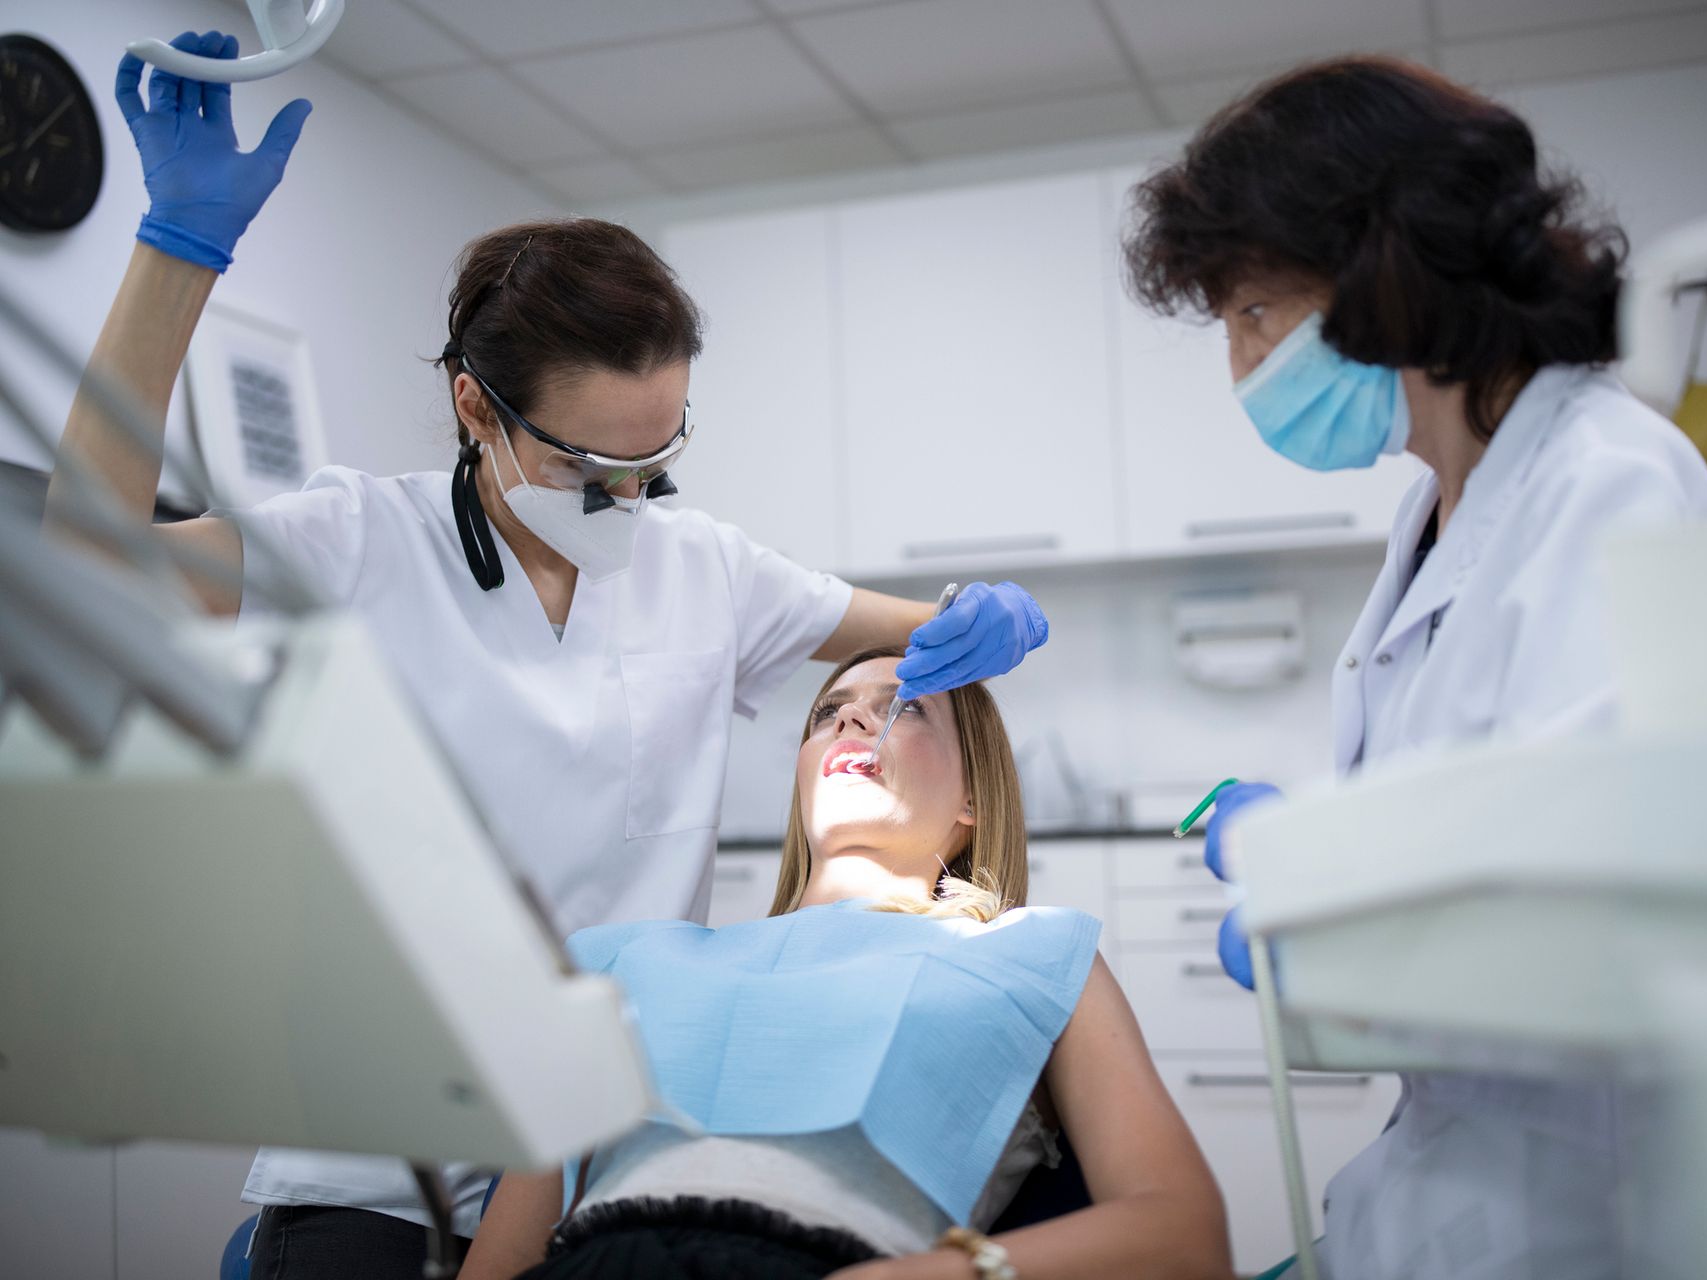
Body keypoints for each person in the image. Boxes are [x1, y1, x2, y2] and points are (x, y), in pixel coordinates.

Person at [53, 34, 1049, 1278]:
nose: (630, 496)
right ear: (478, 407)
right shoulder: (354, 541)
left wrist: (982, 612)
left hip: (610, 1166)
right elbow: (84, 569)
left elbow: (915, 638)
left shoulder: (711, 567)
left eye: (658, 458)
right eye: (590, 465)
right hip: (383, 1165)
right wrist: (176, 252)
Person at [1122, 56, 1707, 1280]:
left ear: (1376, 271)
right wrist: (1333, 853)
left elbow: (1593, 912)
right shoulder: (1446, 507)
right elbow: (1489, 799)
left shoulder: (1609, 483)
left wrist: (1327, 914)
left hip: (1582, 1203)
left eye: (1250, 314)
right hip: (1437, 1182)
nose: (1239, 367)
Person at [460, 648, 1232, 1280]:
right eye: (828, 711)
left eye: (906, 704)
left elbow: (1184, 1238)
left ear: (973, 802)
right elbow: (502, 1263)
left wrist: (924, 1277)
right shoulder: (619, 959)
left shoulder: (1034, 953)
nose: (851, 717)